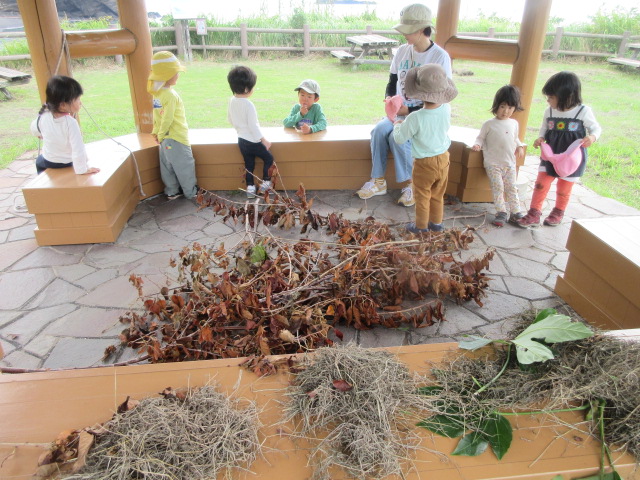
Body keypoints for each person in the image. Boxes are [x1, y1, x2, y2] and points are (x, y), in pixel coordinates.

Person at [356, 3, 452, 208]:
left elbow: (441, 96)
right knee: (379, 131)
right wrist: (390, 101)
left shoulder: (439, 57)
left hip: (424, 114)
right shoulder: (401, 51)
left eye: (407, 32)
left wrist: (409, 110)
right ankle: (378, 180)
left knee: (397, 138)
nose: (404, 36)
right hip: (398, 112)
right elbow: (392, 82)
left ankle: (411, 184)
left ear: (420, 30)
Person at [517, 71, 602, 228]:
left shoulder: (583, 111)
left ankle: (558, 212)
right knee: (541, 183)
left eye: (551, 97)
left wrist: (592, 137)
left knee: (564, 187)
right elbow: (544, 127)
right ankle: (534, 212)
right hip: (550, 154)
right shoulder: (549, 111)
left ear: (566, 96)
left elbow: (596, 128)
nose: (548, 100)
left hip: (571, 158)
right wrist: (541, 138)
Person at [392, 64, 457, 233]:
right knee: (437, 195)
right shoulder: (446, 109)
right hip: (443, 158)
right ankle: (436, 224)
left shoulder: (415, 117)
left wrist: (398, 125)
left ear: (420, 94)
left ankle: (420, 227)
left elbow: (399, 138)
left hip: (424, 163)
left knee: (422, 196)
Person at [472, 85, 526, 227]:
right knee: (498, 188)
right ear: (496, 106)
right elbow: (480, 138)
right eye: (502, 106)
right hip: (493, 163)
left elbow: (515, 138)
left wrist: (520, 145)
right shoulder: (489, 124)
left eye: (510, 108)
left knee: (512, 188)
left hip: (509, 163)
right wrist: (477, 145)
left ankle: (516, 212)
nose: (506, 111)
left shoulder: (514, 123)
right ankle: (501, 212)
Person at [148, 51, 198, 200]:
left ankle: (172, 191)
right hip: (176, 138)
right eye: (175, 72)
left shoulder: (157, 94)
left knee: (167, 166)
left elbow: (157, 116)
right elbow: (167, 118)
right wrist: (162, 134)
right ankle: (191, 192)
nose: (178, 75)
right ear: (167, 75)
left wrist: (157, 133)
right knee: (184, 165)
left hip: (165, 140)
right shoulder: (171, 95)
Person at [30, 75, 100, 176]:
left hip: (49, 160)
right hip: (67, 162)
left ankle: (43, 180)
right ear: (63, 105)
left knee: (39, 161)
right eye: (78, 99)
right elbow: (78, 148)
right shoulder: (70, 123)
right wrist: (82, 169)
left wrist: (39, 134)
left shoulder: (44, 116)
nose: (80, 102)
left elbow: (34, 128)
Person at [227, 65, 274, 198]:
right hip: (253, 141)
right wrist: (263, 140)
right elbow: (253, 126)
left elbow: (230, 119)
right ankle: (265, 183)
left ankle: (250, 187)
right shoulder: (248, 105)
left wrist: (239, 129)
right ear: (247, 89)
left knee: (249, 164)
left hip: (241, 140)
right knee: (269, 158)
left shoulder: (231, 101)